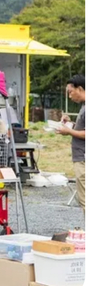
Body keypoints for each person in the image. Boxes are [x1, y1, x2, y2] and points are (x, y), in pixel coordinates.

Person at [57, 75, 85, 214]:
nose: (69, 96)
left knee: (85, 200)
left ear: (80, 89)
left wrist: (68, 131)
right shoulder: (84, 107)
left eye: (70, 91)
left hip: (84, 159)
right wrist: (70, 124)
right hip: (80, 157)